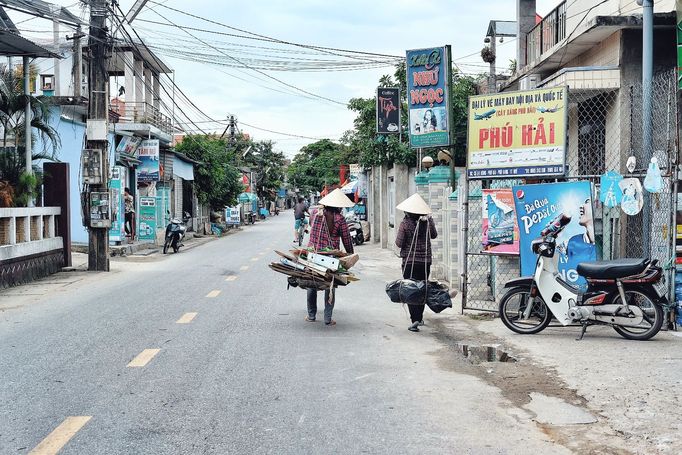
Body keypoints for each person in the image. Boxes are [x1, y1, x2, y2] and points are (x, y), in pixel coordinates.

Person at [305, 189, 355, 326]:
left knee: (312, 283)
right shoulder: (339, 218)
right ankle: (327, 318)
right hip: (330, 257)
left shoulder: (315, 213)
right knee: (330, 285)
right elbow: (347, 239)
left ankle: (311, 315)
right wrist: (351, 255)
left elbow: (311, 226)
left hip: (313, 253)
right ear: (339, 206)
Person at [395, 193, 438, 332]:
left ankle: (415, 320)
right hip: (425, 262)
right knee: (422, 289)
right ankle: (419, 317)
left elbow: (399, 243)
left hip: (409, 262)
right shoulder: (426, 223)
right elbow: (434, 235)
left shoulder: (405, 224)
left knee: (411, 290)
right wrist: (429, 220)